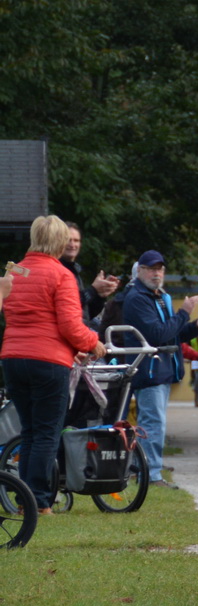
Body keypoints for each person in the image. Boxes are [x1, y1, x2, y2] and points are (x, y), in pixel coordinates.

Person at [0, 217, 105, 510]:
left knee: (30, 432)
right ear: (60, 242)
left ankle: (25, 500)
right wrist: (93, 343)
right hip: (48, 361)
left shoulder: (15, 271)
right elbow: (71, 326)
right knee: (47, 433)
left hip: (12, 358)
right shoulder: (61, 275)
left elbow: (11, 314)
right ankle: (39, 502)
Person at [120, 249, 198, 490]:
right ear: (140, 271)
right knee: (152, 423)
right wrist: (184, 312)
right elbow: (157, 335)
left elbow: (171, 336)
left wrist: (195, 326)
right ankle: (150, 475)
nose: (157, 273)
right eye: (152, 268)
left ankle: (145, 470)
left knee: (153, 423)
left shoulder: (154, 296)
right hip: (149, 371)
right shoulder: (138, 298)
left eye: (160, 269)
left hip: (159, 370)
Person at [61, 222, 119, 327]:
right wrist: (93, 290)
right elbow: (68, 306)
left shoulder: (75, 271)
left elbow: (86, 314)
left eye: (76, 240)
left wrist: (100, 295)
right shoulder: (57, 270)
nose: (72, 245)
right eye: (68, 240)